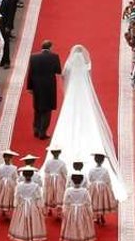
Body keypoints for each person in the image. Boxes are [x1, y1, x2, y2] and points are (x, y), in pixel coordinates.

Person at [49, 46, 126, 201]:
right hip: (83, 93)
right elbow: (88, 76)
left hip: (72, 94)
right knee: (87, 116)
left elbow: (64, 76)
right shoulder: (85, 66)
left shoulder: (69, 65)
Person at [27, 40, 62, 140]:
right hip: (49, 87)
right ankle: (43, 131)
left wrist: (29, 87)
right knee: (47, 110)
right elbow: (58, 71)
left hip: (36, 86)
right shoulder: (54, 57)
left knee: (37, 108)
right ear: (50, 47)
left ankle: (36, 129)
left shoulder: (33, 57)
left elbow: (30, 73)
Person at [8, 166, 46, 241]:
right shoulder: (35, 186)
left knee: (24, 223)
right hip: (33, 207)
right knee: (33, 224)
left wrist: (16, 206)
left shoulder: (19, 185)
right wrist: (40, 208)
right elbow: (38, 198)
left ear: (23, 175)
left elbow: (17, 197)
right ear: (32, 175)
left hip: (22, 207)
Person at [60, 171, 95, 241]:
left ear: (72, 180)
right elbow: (88, 203)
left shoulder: (68, 190)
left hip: (72, 211)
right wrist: (90, 213)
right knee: (81, 227)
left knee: (73, 226)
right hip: (82, 212)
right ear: (82, 180)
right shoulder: (85, 191)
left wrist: (64, 212)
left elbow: (65, 202)